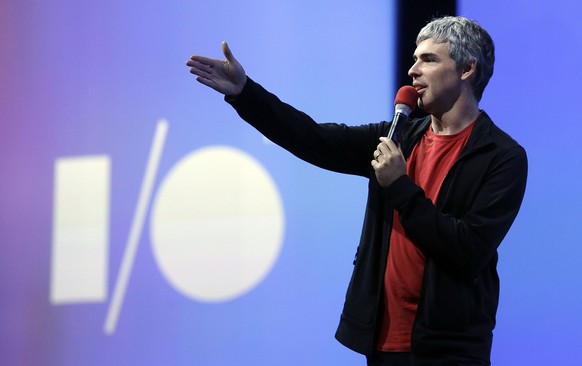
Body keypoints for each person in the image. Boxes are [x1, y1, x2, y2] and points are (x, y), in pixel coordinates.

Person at [186, 16, 527, 366]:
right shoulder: (399, 136)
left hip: (450, 348)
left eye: (429, 59)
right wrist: (247, 94)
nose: (412, 70)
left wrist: (399, 186)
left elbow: (467, 249)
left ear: (467, 69)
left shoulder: (501, 156)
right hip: (381, 343)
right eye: (414, 59)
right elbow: (313, 139)